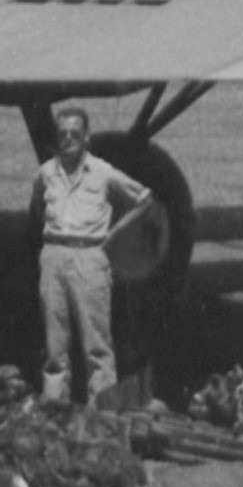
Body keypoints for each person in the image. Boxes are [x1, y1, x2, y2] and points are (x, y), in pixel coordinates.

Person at [28, 98, 162, 407]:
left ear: (87, 137)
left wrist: (112, 235)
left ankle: (102, 415)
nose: (68, 139)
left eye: (75, 133)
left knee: (97, 345)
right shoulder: (46, 173)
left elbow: (145, 200)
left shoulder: (103, 173)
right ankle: (55, 411)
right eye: (62, 134)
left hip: (90, 257)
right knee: (55, 346)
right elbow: (38, 205)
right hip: (54, 256)